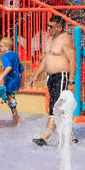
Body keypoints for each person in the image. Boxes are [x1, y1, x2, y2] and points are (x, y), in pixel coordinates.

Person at [30, 15, 77, 146]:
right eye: (48, 25)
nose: (48, 28)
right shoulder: (50, 40)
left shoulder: (66, 40)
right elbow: (46, 60)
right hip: (51, 78)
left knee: (55, 108)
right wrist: (36, 75)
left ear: (59, 27)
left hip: (61, 77)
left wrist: (71, 81)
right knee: (59, 108)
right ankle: (72, 136)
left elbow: (73, 60)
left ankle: (45, 138)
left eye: (51, 26)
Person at [0, 36, 23, 126]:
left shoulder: (4, 56)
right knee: (9, 99)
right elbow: (21, 68)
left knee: (11, 100)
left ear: (7, 47)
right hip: (16, 80)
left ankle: (17, 121)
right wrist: (22, 82)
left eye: (1, 46)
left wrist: (1, 77)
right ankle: (16, 116)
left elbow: (9, 67)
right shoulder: (14, 54)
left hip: (10, 82)